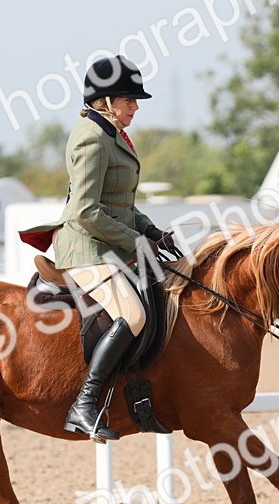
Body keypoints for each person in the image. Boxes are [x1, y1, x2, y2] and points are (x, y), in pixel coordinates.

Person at [19, 55, 175, 441]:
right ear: (105, 101)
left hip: (108, 245)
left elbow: (118, 202)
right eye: (129, 100)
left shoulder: (113, 134)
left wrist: (151, 231)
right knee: (133, 315)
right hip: (85, 248)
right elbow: (87, 211)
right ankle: (84, 405)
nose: (135, 107)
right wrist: (134, 242)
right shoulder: (90, 137)